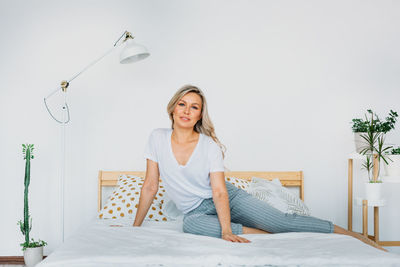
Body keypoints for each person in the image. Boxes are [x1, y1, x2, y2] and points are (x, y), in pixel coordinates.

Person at [133, 85, 385, 250]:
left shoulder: (208, 146)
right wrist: (135, 229)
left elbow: (220, 192)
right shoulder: (157, 138)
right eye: (182, 104)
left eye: (194, 107)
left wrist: (225, 231)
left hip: (226, 198)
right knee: (190, 225)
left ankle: (353, 235)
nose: (186, 111)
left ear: (200, 115)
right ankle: (269, 233)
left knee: (281, 220)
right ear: (173, 108)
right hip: (196, 211)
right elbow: (150, 186)